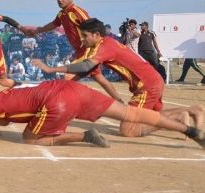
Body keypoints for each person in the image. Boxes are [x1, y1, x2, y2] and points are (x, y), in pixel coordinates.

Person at [32, 18, 203, 137]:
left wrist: (51, 68)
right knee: (150, 118)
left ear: (96, 35)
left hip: (147, 85)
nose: (82, 40)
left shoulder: (104, 46)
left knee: (128, 130)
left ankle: (183, 114)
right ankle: (184, 114)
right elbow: (100, 80)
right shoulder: (100, 48)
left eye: (85, 36)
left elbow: (83, 67)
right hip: (151, 81)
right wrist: (118, 100)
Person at [0, 80, 205, 148]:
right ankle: (189, 130)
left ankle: (84, 135)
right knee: (132, 113)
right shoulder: (5, 92)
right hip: (73, 89)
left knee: (30, 139)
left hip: (56, 104)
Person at [24, 0, 122, 103]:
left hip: (87, 51)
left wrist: (97, 47)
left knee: (68, 78)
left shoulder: (77, 12)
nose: (60, 0)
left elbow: (93, 27)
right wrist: (38, 30)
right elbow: (53, 24)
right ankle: (120, 103)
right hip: (80, 51)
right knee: (99, 77)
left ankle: (60, 105)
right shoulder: (62, 14)